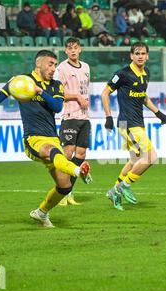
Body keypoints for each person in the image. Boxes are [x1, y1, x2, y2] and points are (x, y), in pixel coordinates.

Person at [0, 50, 91, 228]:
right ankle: (78, 171)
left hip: (52, 137)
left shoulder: (56, 85)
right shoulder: (20, 82)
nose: (53, 68)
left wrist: (40, 92)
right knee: (51, 151)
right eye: (50, 64)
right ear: (38, 64)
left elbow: (57, 107)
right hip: (33, 138)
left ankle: (41, 213)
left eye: (55, 65)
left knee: (64, 187)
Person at [101, 42, 166, 211]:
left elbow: (143, 96)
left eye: (143, 53)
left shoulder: (146, 73)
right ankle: (124, 186)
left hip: (138, 123)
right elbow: (105, 93)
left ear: (147, 56)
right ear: (131, 55)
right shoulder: (123, 74)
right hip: (127, 123)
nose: (140, 56)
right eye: (137, 53)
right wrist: (108, 117)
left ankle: (113, 191)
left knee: (135, 160)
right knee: (151, 157)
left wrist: (158, 112)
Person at [53, 38, 92, 206]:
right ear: (66, 51)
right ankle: (61, 191)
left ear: (80, 49)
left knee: (81, 155)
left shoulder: (86, 67)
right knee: (67, 154)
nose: (73, 51)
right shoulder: (61, 68)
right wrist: (76, 96)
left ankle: (69, 192)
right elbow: (56, 91)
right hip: (70, 117)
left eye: (75, 48)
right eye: (70, 48)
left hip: (85, 117)